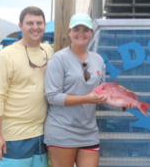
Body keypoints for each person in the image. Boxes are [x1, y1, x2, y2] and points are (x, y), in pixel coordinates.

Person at [44, 13, 135, 167]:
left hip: (89, 132)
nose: (81, 33)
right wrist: (86, 99)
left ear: (91, 33)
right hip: (62, 130)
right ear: (69, 32)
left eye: (85, 29)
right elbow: (52, 97)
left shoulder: (98, 60)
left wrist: (122, 105)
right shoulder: (59, 59)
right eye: (76, 29)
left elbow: (101, 97)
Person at [0, 7, 54, 167]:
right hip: (13, 136)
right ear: (20, 26)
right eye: (29, 23)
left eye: (39, 22)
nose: (35, 27)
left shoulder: (48, 51)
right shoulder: (5, 56)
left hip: (41, 135)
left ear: (44, 25)